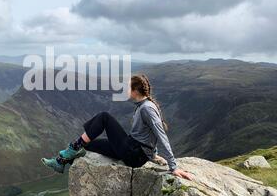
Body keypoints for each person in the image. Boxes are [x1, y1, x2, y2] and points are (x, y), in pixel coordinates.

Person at [42, 74, 193, 180]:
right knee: (89, 145)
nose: (126, 90)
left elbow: (161, 135)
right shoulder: (143, 105)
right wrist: (153, 154)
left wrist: (173, 167)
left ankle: (69, 150)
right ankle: (61, 162)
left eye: (128, 88)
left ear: (135, 91)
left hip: (133, 154)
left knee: (104, 117)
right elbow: (149, 135)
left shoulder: (146, 108)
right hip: (133, 150)